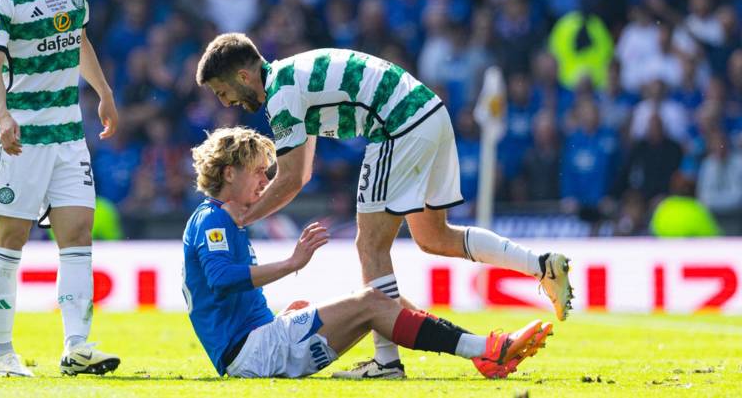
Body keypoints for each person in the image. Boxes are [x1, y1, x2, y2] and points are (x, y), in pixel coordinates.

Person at [195, 33, 573, 379]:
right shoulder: (291, 79)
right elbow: (302, 172)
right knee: (435, 236)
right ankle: (541, 266)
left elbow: (292, 178)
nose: (224, 102)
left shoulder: (280, 95)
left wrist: (243, 215)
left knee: (370, 246)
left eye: (221, 91)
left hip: (397, 126)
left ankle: (386, 362)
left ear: (244, 77)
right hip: (429, 112)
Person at [183, 126, 553, 379]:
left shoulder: (225, 222)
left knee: (381, 298)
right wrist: (293, 263)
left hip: (260, 341)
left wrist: (277, 319)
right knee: (372, 301)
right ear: (229, 174)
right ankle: (484, 349)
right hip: (250, 353)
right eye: (259, 172)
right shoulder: (214, 222)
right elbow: (220, 280)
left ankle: (482, 350)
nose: (266, 181)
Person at [0, 0, 120, 377]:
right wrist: (2, 116)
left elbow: (78, 40)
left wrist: (102, 90)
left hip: (68, 135)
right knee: (11, 237)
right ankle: (1, 355)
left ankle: (77, 346)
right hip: (22, 138)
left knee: (78, 233)